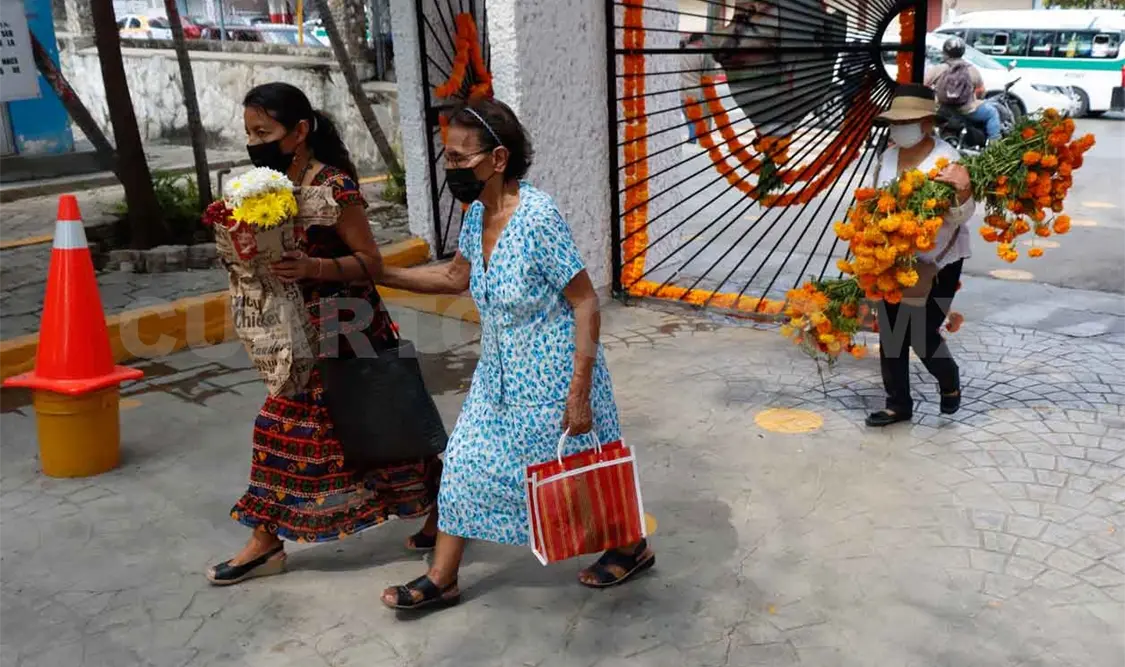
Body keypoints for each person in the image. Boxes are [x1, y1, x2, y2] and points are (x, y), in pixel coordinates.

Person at [376, 98, 655, 611]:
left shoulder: (538, 216)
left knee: (575, 473)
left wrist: (580, 390)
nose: (451, 169)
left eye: (460, 159)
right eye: (448, 158)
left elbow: (586, 301)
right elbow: (455, 277)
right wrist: (377, 273)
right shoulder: (476, 212)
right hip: (498, 376)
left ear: (498, 158)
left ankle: (630, 545)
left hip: (554, 375)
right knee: (462, 463)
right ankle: (443, 577)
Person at [205, 82, 441, 585]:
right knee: (279, 430)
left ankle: (444, 513)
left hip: (347, 325)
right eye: (248, 132)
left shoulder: (335, 187)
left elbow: (370, 263)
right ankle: (266, 542)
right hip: (295, 332)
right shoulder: (262, 188)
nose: (254, 141)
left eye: (264, 131)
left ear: (300, 131)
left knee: (386, 428)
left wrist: (311, 265)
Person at [866, 85, 976, 428]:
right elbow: (872, 203)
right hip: (892, 259)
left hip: (940, 260)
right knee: (892, 331)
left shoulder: (949, 160)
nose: (900, 129)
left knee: (922, 331)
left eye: (909, 121)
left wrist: (962, 188)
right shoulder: (886, 157)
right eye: (896, 122)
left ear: (928, 122)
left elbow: (963, 216)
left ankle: (948, 376)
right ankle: (898, 404)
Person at [926, 36, 1002, 141]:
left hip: (942, 110)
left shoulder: (937, 69)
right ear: (962, 52)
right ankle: (995, 144)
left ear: (945, 53)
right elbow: (981, 91)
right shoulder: (972, 70)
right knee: (992, 112)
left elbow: (922, 86)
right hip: (967, 111)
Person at [680, 33, 715, 144]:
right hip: (696, 91)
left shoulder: (679, 53)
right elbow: (707, 75)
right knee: (698, 117)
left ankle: (692, 138)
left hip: (681, 91)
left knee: (688, 117)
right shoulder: (702, 55)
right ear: (700, 41)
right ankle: (697, 139)